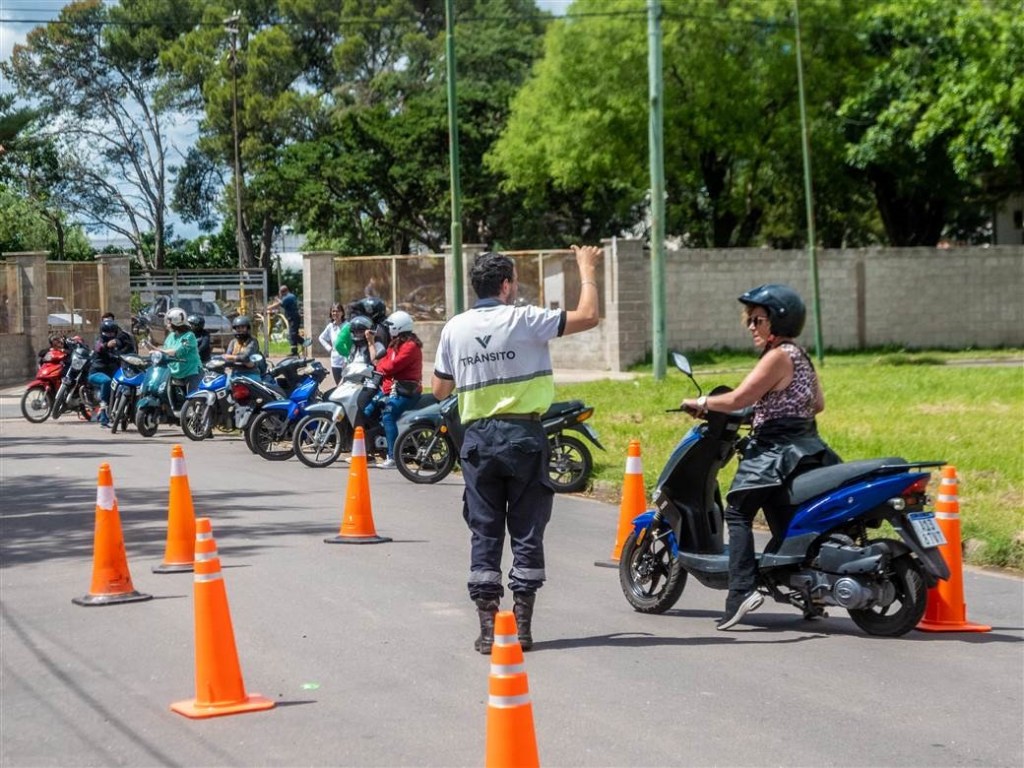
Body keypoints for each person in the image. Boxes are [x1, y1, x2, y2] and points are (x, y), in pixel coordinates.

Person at [432, 245, 601, 654]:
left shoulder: (454, 328)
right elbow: (589, 316)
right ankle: (522, 627)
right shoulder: (526, 319)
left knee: (485, 529)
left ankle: (489, 631)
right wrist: (587, 269)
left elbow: (439, 389)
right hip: (524, 437)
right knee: (527, 530)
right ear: (506, 285)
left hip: (478, 442)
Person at [680, 284, 841, 631]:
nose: (751, 327)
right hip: (808, 445)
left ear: (777, 321)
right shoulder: (799, 354)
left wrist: (702, 402)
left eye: (757, 320)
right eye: (749, 321)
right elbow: (817, 404)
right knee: (783, 513)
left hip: (777, 451)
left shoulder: (777, 356)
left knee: (738, 510)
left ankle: (741, 591)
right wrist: (768, 411)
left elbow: (738, 398)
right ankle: (807, 593)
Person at [366, 310, 423, 469]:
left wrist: (380, 366)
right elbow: (382, 361)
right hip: (394, 389)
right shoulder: (396, 344)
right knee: (368, 410)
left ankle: (393, 457)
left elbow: (391, 366)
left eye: (391, 326)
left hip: (407, 392)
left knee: (388, 414)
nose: (388, 328)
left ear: (398, 327)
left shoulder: (410, 346)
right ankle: (369, 450)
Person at [87, 317, 136, 426]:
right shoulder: (99, 341)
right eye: (107, 333)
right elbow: (98, 348)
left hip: (115, 374)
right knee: (106, 381)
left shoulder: (120, 340)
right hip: (96, 373)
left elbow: (130, 349)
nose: (109, 335)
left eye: (111, 333)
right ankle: (103, 416)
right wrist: (106, 345)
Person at [146, 308, 202, 393]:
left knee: (192, 398)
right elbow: (165, 351)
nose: (167, 325)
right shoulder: (171, 336)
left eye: (169, 322)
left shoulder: (188, 336)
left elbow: (177, 351)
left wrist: (156, 350)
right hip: (174, 372)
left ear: (175, 323)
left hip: (191, 372)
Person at [222, 315, 262, 380]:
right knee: (227, 388)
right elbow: (226, 359)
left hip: (251, 373)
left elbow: (245, 357)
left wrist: (231, 357)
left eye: (243, 327)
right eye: (238, 328)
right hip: (235, 373)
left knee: (253, 389)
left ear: (247, 328)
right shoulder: (233, 342)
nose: (240, 330)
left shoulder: (252, 341)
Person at [268, 285, 303, 356]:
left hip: (294, 318)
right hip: (292, 318)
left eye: (280, 292)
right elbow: (281, 304)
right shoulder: (288, 297)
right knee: (292, 334)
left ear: (283, 292)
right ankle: (295, 350)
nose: (280, 294)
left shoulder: (289, 297)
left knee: (293, 334)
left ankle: (303, 343)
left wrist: (268, 308)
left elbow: (279, 304)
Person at [318, 303, 348, 384]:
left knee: (346, 386)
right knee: (338, 385)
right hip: (335, 362)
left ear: (342, 313)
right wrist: (329, 348)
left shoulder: (347, 326)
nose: (335, 313)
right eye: (333, 311)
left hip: (347, 361)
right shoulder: (330, 326)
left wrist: (346, 360)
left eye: (338, 311)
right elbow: (321, 338)